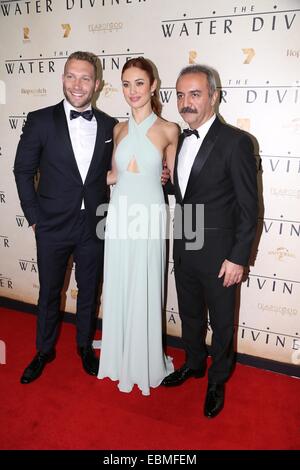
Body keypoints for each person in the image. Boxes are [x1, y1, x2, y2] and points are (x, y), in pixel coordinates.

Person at [14, 51, 117, 384]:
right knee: (49, 291)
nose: (78, 84)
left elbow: (115, 172)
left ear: (97, 84)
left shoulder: (109, 125)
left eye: (86, 77)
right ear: (62, 78)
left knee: (89, 291)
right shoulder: (40, 119)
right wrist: (34, 217)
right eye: (71, 76)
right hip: (52, 224)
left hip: (93, 225)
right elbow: (22, 170)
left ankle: (84, 346)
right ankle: (44, 350)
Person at [161, 65, 258, 418]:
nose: (186, 102)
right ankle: (195, 364)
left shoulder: (236, 142)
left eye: (195, 94)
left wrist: (238, 257)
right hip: (184, 243)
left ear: (214, 96)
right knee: (189, 314)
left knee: (220, 321)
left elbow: (249, 208)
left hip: (220, 255)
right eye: (181, 95)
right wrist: (166, 183)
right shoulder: (180, 139)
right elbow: (187, 193)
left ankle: (217, 379)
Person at [97, 57, 179, 396]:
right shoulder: (118, 129)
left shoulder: (169, 129)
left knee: (144, 283)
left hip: (148, 217)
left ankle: (143, 359)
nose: (133, 91)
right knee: (119, 281)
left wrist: (165, 177)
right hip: (119, 215)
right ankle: (117, 354)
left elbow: (177, 182)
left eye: (140, 83)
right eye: (127, 84)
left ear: (154, 85)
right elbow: (114, 176)